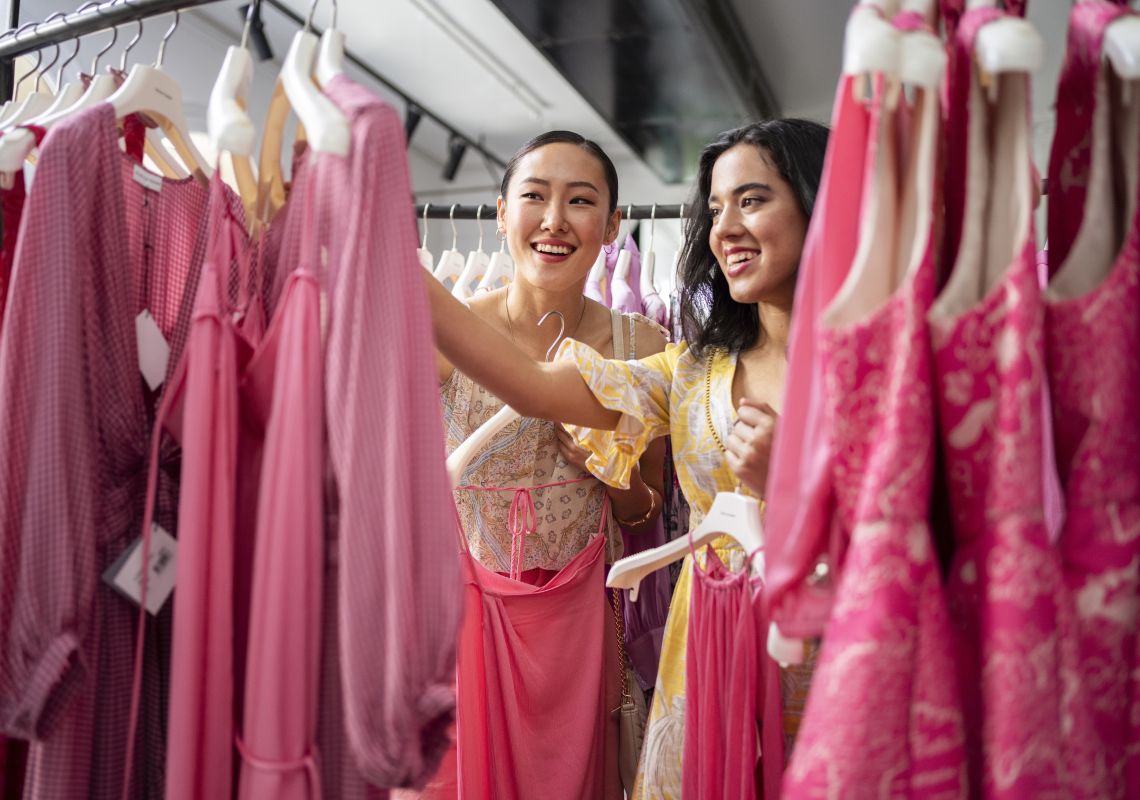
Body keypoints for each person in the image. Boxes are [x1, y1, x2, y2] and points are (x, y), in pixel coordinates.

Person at [426, 117, 829, 796]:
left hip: (831, 652)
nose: (725, 227)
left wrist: (795, 485)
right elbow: (535, 386)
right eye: (717, 207)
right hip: (709, 651)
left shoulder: (887, 367)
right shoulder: (690, 370)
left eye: (752, 200)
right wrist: (400, 264)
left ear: (820, 204)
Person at [434, 130, 669, 799]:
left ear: (613, 224)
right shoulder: (449, 334)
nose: (555, 220)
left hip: (580, 624)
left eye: (581, 200)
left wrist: (615, 478)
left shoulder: (642, 344)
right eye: (535, 196)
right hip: (469, 618)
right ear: (503, 213)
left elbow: (648, 506)